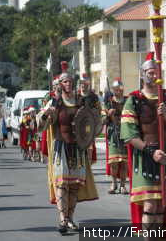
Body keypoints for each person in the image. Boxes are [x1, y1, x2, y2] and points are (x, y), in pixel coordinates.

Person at [120, 52, 166, 233]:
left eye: (157, 72)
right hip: (145, 157)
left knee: (161, 205)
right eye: (151, 72)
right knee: (150, 205)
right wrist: (151, 152)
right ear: (143, 74)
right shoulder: (134, 100)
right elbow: (129, 136)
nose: (154, 76)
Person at [37, 61, 98, 234]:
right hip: (60, 147)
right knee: (62, 184)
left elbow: (89, 121)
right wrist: (46, 114)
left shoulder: (80, 100)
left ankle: (70, 218)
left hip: (78, 148)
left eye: (70, 81)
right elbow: (41, 124)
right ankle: (62, 219)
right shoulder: (55, 102)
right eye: (65, 81)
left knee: (74, 186)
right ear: (60, 84)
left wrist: (89, 140)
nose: (68, 83)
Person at [103, 77, 128, 195]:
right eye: (116, 89)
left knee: (124, 162)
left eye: (120, 89)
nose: (119, 91)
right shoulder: (108, 102)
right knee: (113, 162)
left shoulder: (127, 101)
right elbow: (102, 119)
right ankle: (113, 183)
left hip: (125, 132)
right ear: (113, 89)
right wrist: (108, 114)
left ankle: (123, 185)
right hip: (113, 133)